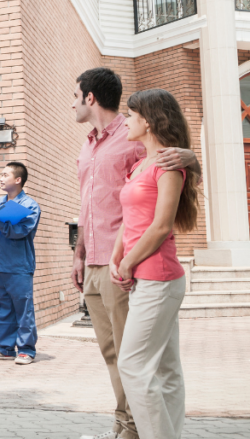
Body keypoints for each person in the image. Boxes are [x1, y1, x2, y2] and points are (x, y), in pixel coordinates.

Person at [70, 68, 199, 439]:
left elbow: (172, 178)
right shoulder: (89, 145)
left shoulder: (133, 139)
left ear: (90, 97)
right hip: (99, 260)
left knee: (137, 363)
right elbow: (89, 204)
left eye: (74, 95)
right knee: (118, 357)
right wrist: (79, 254)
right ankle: (129, 427)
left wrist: (192, 157)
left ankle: (132, 431)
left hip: (137, 267)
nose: (72, 102)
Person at [111, 89, 198, 439]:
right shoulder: (139, 165)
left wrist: (129, 262)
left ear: (147, 120)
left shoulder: (168, 165)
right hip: (145, 277)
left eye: (130, 116)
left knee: (132, 364)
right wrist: (119, 255)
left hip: (158, 278)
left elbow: (161, 226)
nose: (126, 121)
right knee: (165, 368)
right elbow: (130, 218)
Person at [0, 162, 41, 365]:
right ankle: (5, 348)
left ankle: (26, 350)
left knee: (23, 309)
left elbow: (22, 232)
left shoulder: (30, 206)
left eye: (5, 175)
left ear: (18, 179)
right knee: (2, 308)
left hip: (19, 265)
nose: (0, 178)